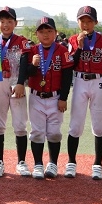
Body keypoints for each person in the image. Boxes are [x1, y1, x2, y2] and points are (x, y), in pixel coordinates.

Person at [66, 6, 102, 179]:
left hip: (98, 82)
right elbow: (70, 63)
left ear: (95, 22)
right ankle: (71, 162)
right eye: (82, 21)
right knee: (75, 124)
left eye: (89, 21)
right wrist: (78, 46)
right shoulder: (72, 39)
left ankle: (98, 164)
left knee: (98, 125)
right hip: (79, 80)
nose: (86, 24)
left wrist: (100, 78)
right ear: (78, 22)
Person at [27, 17, 74, 179]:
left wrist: (64, 97)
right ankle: (38, 164)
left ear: (55, 33)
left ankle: (53, 163)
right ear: (36, 34)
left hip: (55, 97)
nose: (45, 35)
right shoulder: (32, 51)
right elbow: (26, 74)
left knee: (54, 132)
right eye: (42, 31)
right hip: (36, 97)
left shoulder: (62, 51)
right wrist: (32, 65)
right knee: (37, 132)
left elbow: (67, 77)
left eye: (49, 31)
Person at [0, 7, 32, 177]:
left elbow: (25, 63)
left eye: (9, 21)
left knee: (20, 124)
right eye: (2, 21)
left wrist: (21, 82)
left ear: (15, 23)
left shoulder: (22, 41)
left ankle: (21, 161)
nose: (5, 24)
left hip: (16, 83)